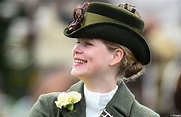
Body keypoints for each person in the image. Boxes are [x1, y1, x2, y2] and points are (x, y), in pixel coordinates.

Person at [29, 2, 160, 117]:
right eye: (77, 42)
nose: (76, 49)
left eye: (88, 44)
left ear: (116, 56)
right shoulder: (48, 108)